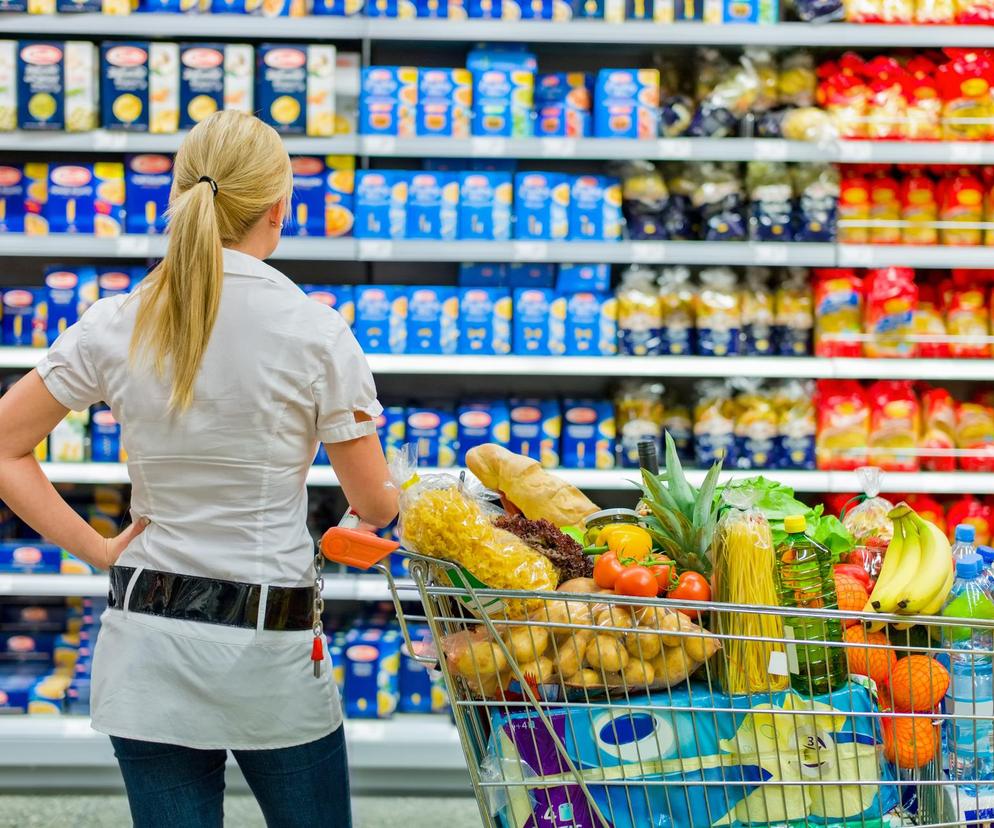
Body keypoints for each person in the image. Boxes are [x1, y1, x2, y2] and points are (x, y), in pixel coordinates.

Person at [0, 110, 398, 828]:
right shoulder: (315, 332)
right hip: (269, 649)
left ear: (181, 197)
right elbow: (373, 502)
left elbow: (4, 445)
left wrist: (95, 548)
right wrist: (372, 499)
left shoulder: (117, 319)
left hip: (146, 642)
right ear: (281, 209)